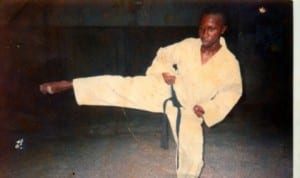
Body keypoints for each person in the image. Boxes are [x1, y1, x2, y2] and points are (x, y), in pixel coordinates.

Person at [40, 8, 242, 178]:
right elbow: (163, 54)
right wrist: (165, 72)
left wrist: (208, 108)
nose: (204, 33)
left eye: (211, 29)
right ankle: (72, 84)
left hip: (191, 109)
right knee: (121, 86)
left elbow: (232, 91)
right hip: (166, 91)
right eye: (201, 28)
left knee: (194, 158)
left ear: (223, 30)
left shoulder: (229, 63)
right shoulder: (188, 45)